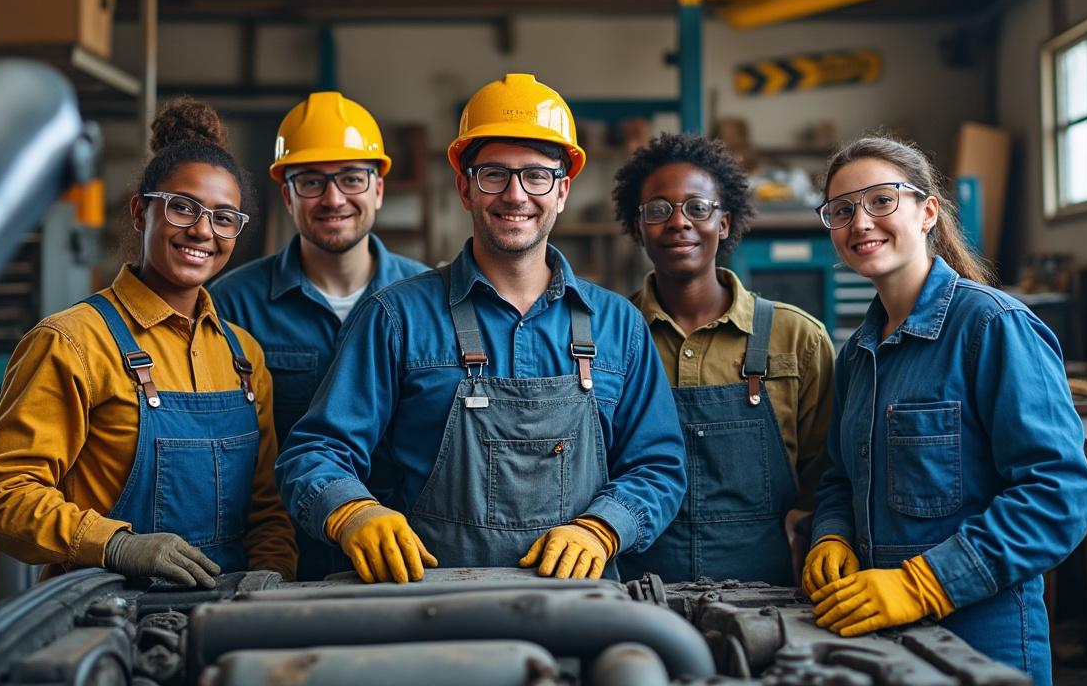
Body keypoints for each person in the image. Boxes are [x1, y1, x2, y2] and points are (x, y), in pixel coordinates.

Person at [276, 73, 686, 584]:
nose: (515, 195)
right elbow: (316, 451)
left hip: (582, 611)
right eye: (494, 174)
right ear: (464, 186)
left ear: (563, 190)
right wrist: (353, 512)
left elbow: (659, 465)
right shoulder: (396, 317)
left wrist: (604, 528)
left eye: (536, 176)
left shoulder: (618, 325)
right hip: (428, 612)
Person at [802, 135, 1087, 684]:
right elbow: (842, 476)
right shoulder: (857, 354)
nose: (860, 222)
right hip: (875, 634)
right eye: (841, 211)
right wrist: (833, 532)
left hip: (981, 636)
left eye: (881, 200)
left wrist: (924, 583)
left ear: (928, 211)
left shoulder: (992, 327)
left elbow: (1058, 496)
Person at [0, 98, 297, 587]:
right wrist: (114, 544)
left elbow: (267, 510)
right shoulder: (73, 341)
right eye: (183, 208)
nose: (203, 231)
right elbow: (1, 495)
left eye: (225, 217)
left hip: (231, 617)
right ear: (142, 212)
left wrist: (273, 577)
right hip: (105, 618)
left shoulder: (243, 356)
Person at [210, 92, 427, 579]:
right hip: (278, 561)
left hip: (406, 560)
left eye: (352, 178)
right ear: (286, 194)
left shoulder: (428, 302)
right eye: (311, 182)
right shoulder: (232, 305)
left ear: (378, 189)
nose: (333, 199)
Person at [611, 133, 833, 585]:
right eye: (658, 210)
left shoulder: (797, 339)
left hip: (768, 596)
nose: (679, 223)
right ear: (637, 229)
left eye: (698, 208)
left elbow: (830, 477)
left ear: (725, 223)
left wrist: (819, 541)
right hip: (634, 598)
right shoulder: (606, 335)